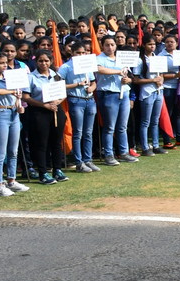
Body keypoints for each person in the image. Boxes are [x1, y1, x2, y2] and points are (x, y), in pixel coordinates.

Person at [0, 51, 29, 195]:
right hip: (0, 113)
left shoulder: (10, 76)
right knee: (1, 150)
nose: (4, 66)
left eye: (5, 63)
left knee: (13, 150)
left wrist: (19, 104)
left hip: (13, 112)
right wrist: (12, 91)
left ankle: (11, 179)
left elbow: (17, 94)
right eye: (1, 63)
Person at [24, 50, 69, 185]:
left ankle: (57, 170)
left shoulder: (56, 75)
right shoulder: (31, 77)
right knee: (41, 143)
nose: (44, 63)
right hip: (39, 112)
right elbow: (26, 97)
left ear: (51, 61)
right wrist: (44, 105)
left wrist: (57, 102)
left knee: (56, 141)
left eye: (46, 61)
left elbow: (63, 92)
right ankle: (43, 172)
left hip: (55, 110)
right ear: (36, 61)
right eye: (40, 61)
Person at [96, 35, 135, 164]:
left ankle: (124, 152)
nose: (110, 47)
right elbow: (99, 69)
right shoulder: (99, 58)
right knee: (109, 127)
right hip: (108, 94)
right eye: (107, 45)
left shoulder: (121, 58)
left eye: (112, 44)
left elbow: (129, 75)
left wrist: (128, 79)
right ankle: (108, 155)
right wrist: (117, 72)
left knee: (122, 126)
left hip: (124, 93)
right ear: (102, 46)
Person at [63, 41, 98, 173]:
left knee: (88, 132)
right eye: (78, 53)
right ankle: (78, 162)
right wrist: (77, 84)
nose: (81, 55)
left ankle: (88, 159)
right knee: (78, 132)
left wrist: (92, 88)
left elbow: (93, 82)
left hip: (89, 100)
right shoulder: (66, 67)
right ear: (72, 53)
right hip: (76, 100)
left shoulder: (87, 65)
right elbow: (58, 84)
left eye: (83, 52)